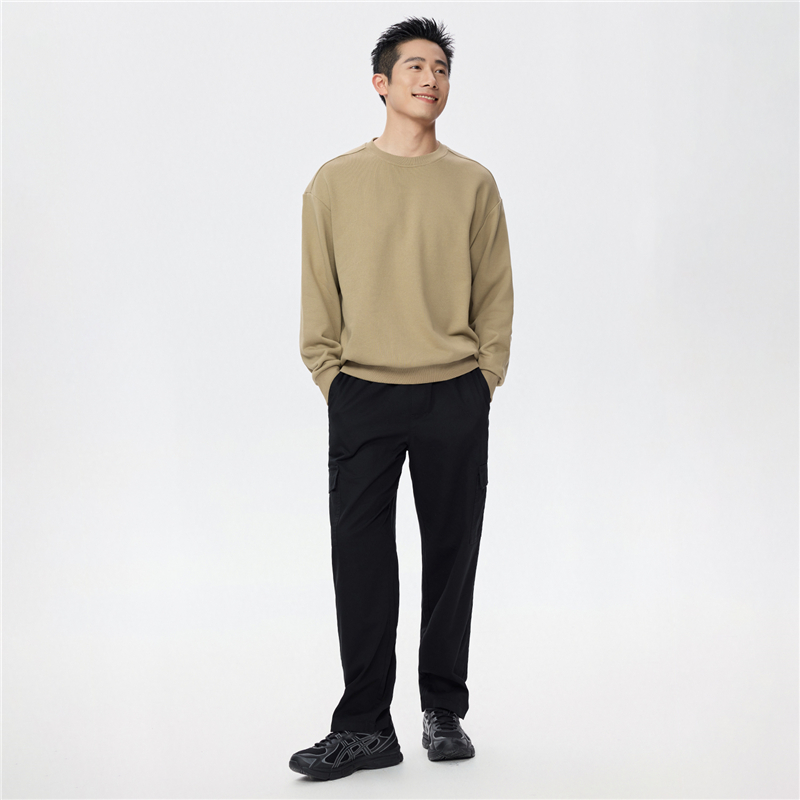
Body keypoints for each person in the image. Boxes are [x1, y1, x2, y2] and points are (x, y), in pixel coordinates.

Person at [292, 15, 514, 781]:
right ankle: (364, 729)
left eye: (441, 70)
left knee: (452, 553)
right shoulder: (334, 182)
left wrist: (484, 377)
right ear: (381, 83)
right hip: (363, 392)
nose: (431, 79)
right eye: (416, 67)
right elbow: (318, 292)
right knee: (360, 559)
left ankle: (443, 709)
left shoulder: (473, 183)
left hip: (453, 391)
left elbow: (495, 291)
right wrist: (331, 376)